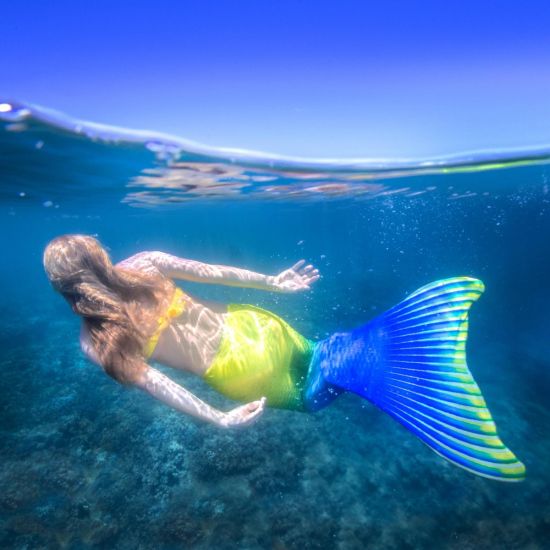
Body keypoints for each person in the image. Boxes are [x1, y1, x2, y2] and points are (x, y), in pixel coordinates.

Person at [43, 234, 525, 481]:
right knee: (319, 353)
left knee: (314, 397)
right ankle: (376, 349)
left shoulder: (95, 342)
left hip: (236, 372)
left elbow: (158, 385)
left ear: (64, 288)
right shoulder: (144, 264)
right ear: (99, 257)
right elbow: (217, 274)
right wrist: (274, 283)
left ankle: (382, 365)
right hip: (255, 326)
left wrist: (217, 418)